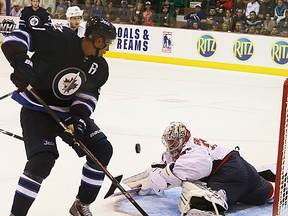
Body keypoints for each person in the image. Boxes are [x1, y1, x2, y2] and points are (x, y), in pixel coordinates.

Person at [1, 16, 116, 216]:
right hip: (37, 109)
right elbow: (15, 39)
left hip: (66, 114)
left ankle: (81, 205)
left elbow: (86, 97)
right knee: (42, 161)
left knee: (102, 150)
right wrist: (21, 63)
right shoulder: (60, 38)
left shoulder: (100, 68)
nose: (107, 48)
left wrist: (77, 121)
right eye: (106, 42)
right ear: (97, 40)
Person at [123, 121, 275, 215]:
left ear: (183, 140)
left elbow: (190, 171)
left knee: (199, 198)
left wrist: (157, 179)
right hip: (240, 168)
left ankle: (213, 203)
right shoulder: (181, 149)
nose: (170, 146)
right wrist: (150, 176)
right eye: (168, 142)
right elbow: (164, 164)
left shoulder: (193, 151)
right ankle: (272, 179)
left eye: (174, 142)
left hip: (230, 172)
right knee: (264, 193)